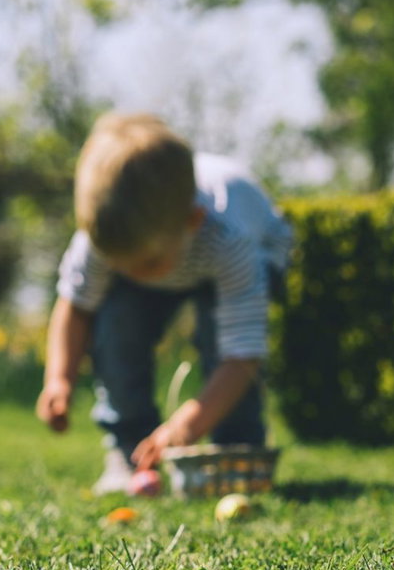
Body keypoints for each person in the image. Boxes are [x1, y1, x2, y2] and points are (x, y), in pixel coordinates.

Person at [34, 112, 292, 494]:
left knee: (219, 333)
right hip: (183, 249)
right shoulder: (106, 236)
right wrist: (59, 377)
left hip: (261, 247)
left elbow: (242, 354)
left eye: (147, 263)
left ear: (192, 220)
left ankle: (238, 450)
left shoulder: (231, 243)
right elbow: (76, 306)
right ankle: (131, 451)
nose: (134, 275)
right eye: (120, 264)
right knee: (118, 319)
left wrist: (188, 423)